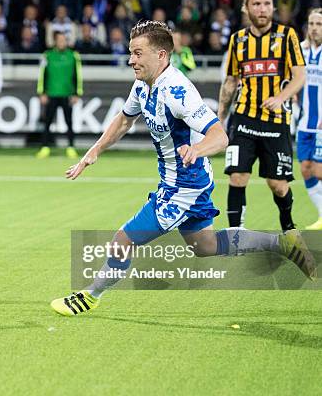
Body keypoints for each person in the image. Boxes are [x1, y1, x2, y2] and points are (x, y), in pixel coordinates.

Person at [50, 20, 315, 316]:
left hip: (184, 185)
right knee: (205, 245)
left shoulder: (178, 91)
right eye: (131, 53)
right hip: (188, 179)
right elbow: (124, 119)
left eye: (138, 54)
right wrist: (95, 150)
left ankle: (91, 295)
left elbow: (220, 136)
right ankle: (283, 243)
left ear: (161, 55)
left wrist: (197, 149)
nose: (131, 60)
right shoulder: (143, 85)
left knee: (123, 240)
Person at [217, 0, 306, 231]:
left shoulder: (287, 36)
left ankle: (288, 225)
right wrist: (220, 116)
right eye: (256, 4)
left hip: (276, 121)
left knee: (277, 184)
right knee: (237, 177)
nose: (262, 8)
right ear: (246, 8)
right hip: (244, 118)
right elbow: (231, 81)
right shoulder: (238, 40)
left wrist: (281, 97)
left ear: (273, 7)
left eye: (267, 3)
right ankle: (236, 235)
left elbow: (300, 75)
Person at [36, 31, 83, 159]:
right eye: (59, 40)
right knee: (47, 122)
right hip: (51, 93)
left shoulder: (73, 56)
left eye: (64, 40)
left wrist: (77, 93)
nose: (62, 42)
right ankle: (45, 147)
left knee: (69, 122)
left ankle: (71, 147)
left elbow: (78, 76)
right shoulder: (47, 56)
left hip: (67, 94)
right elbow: (42, 75)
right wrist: (41, 92)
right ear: (55, 41)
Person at [297, 8, 322, 230]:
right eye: (311, 23)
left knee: (318, 171)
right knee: (305, 168)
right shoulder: (301, 52)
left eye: (319, 24)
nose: (314, 28)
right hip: (305, 123)